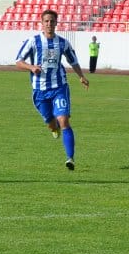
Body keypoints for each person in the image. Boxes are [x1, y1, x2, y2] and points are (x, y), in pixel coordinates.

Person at [15, 9, 89, 170]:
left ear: (56, 23)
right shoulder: (33, 41)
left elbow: (73, 60)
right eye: (46, 21)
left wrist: (81, 76)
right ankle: (53, 127)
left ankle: (70, 158)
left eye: (52, 21)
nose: (49, 24)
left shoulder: (62, 43)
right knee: (51, 124)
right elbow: (18, 61)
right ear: (42, 23)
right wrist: (31, 66)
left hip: (59, 87)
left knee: (64, 120)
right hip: (39, 91)